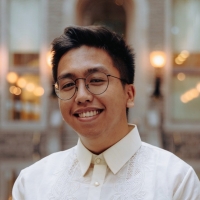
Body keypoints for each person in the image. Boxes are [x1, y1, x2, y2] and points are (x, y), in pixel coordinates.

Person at [12, 26, 200, 200]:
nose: (82, 96)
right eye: (68, 85)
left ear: (129, 94)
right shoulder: (31, 183)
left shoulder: (176, 181)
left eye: (95, 80)